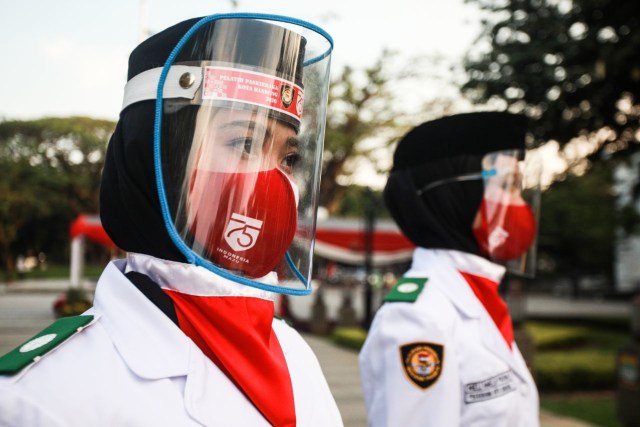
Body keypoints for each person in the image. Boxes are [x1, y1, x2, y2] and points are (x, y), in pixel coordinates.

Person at [0, 13, 343, 427]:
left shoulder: (294, 354)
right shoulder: (44, 395)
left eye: (289, 158)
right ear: (161, 156)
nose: (273, 177)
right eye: (245, 141)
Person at [359, 112, 540, 426]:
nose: (519, 203)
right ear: (456, 196)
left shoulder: (479, 295)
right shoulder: (419, 318)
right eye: (508, 185)